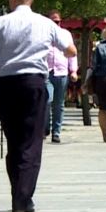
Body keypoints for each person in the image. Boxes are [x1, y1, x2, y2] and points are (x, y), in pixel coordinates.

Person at [0, 0, 76, 212]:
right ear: (31, 0)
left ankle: (18, 191)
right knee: (31, 141)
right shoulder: (46, 23)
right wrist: (65, 54)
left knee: (14, 142)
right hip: (33, 83)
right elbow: (70, 49)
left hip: (6, 84)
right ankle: (22, 198)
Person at [44, 10, 77, 144]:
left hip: (61, 72)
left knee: (59, 104)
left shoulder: (65, 34)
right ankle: (45, 128)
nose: (55, 24)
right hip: (46, 72)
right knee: (46, 100)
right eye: (52, 21)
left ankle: (56, 132)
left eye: (57, 22)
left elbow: (72, 54)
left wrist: (73, 71)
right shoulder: (42, 34)